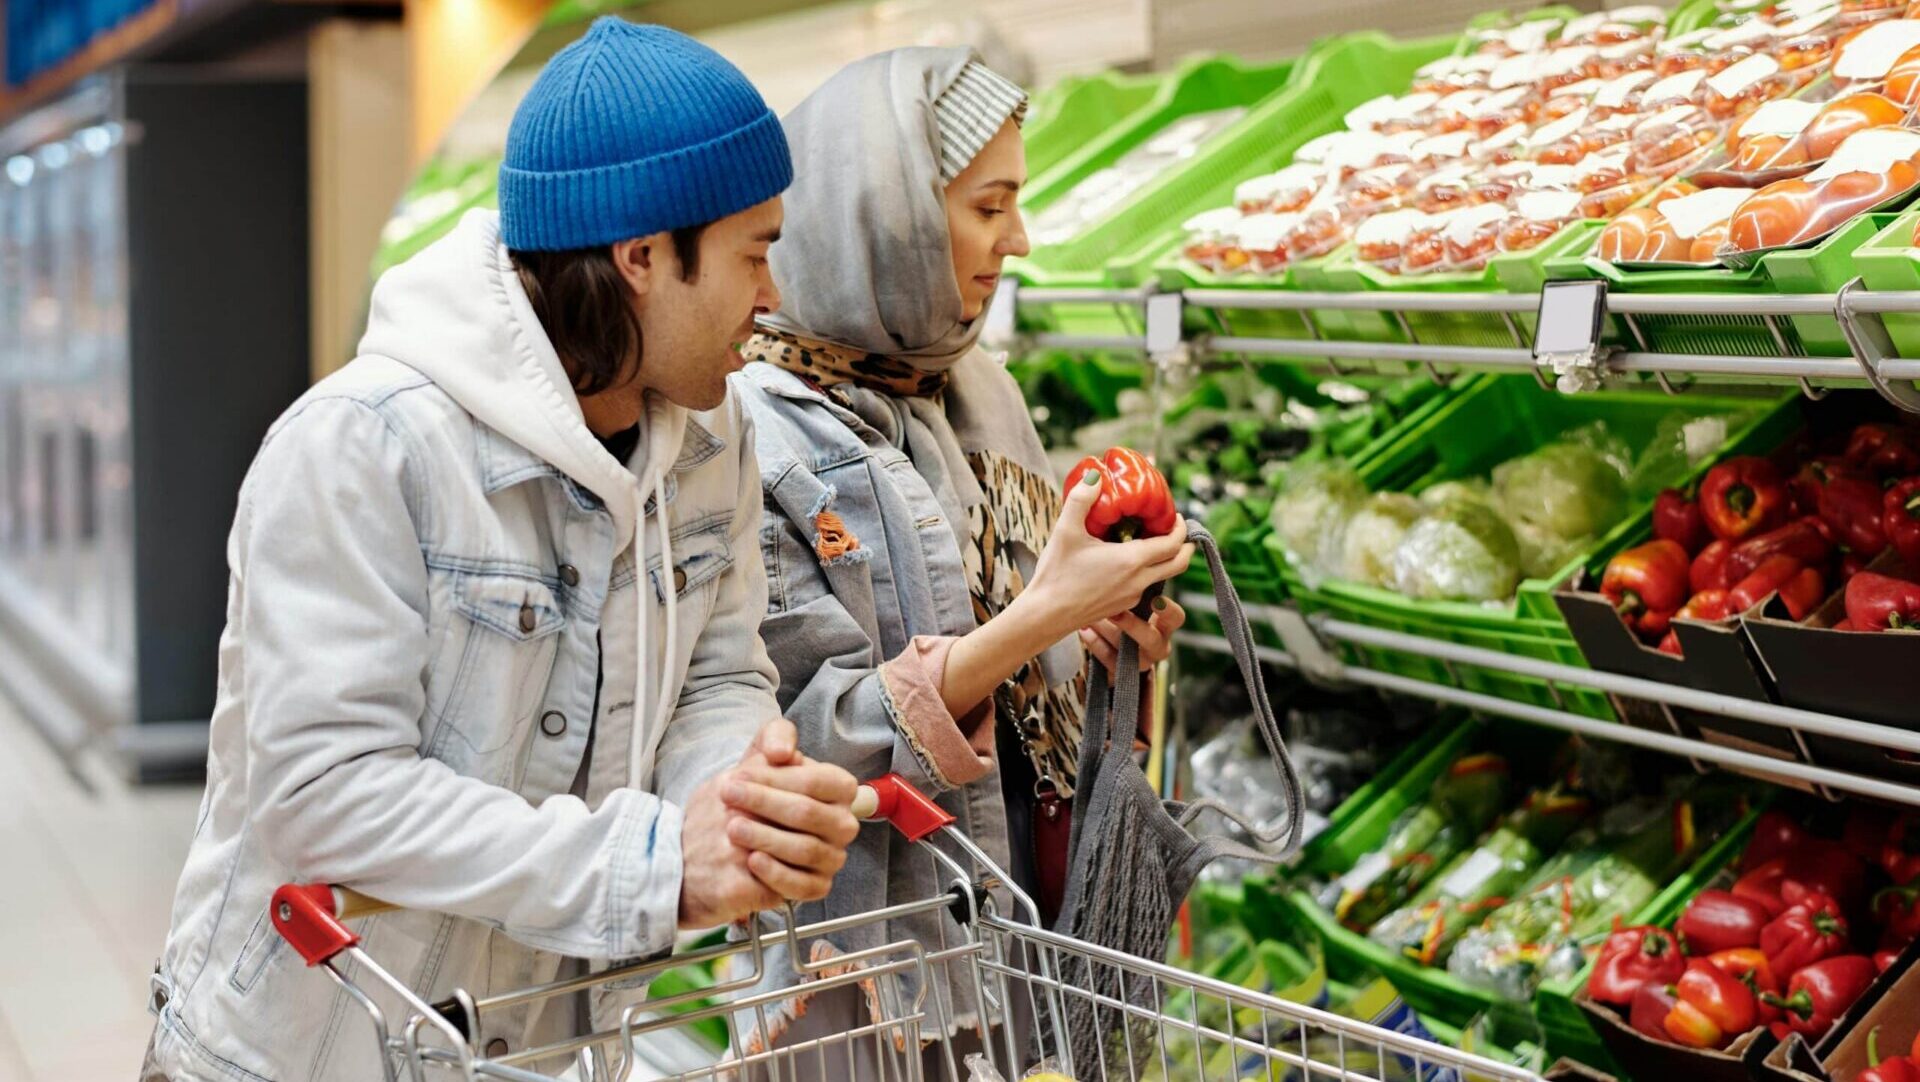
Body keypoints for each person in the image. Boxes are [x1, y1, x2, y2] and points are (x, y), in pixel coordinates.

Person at [142, 20, 861, 1081]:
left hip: (540, 1043)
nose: (773, 296)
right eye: (755, 250)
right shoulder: (363, 447)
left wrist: (739, 798)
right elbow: (325, 794)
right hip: (311, 1052)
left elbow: (720, 668)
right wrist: (654, 867)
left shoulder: (715, 433)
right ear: (643, 258)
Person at [726, 47, 1192, 1077]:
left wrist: (1104, 627)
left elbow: (1034, 662)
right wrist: (1039, 617)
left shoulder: (974, 387)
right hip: (870, 972)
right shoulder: (752, 436)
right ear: (880, 213)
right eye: (989, 207)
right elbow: (800, 743)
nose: (1017, 241)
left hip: (1023, 922)